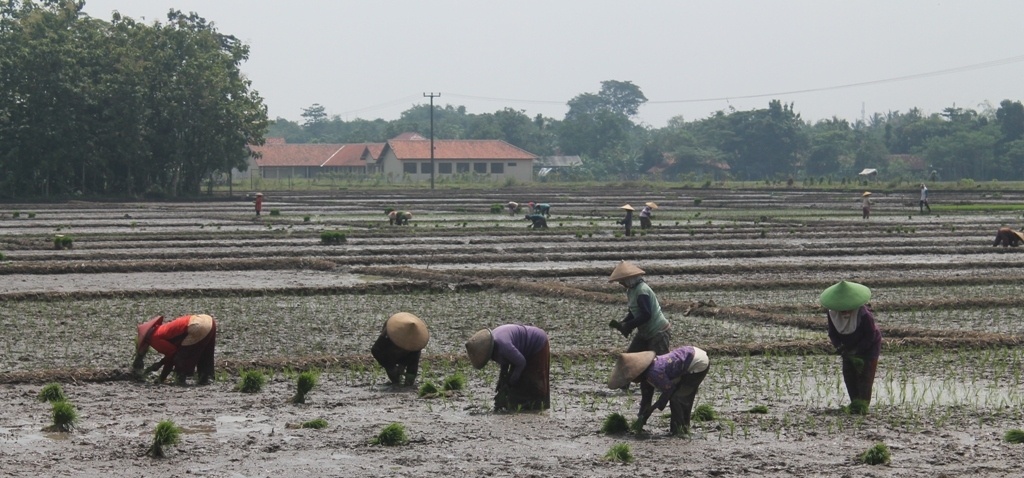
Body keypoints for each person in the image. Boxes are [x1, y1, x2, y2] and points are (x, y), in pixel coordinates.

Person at [607, 345, 710, 436]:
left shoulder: (654, 373)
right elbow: (646, 398)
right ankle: (682, 427)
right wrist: (642, 418)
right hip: (688, 357)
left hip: (698, 363)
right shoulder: (646, 376)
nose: (633, 381)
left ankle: (678, 432)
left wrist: (655, 406)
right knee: (682, 397)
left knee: (677, 399)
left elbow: (669, 390)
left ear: (638, 373)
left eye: (632, 378)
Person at [819, 280, 882, 410]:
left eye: (847, 308)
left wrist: (858, 350)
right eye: (841, 309)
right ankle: (854, 404)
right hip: (848, 348)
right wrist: (840, 347)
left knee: (865, 377)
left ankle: (863, 406)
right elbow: (832, 333)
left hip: (869, 347)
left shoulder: (864, 314)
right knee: (849, 375)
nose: (845, 311)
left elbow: (870, 335)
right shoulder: (833, 314)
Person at [465, 324, 550, 411]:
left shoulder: (503, 345)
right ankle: (522, 406)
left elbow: (521, 362)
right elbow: (505, 362)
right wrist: (502, 379)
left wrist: (512, 381)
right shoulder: (494, 345)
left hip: (537, 343)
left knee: (532, 380)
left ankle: (538, 407)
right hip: (521, 350)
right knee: (519, 384)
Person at [607, 261, 671, 356]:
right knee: (631, 358)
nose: (620, 283)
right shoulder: (631, 291)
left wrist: (629, 325)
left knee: (659, 363)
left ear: (629, 279)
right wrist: (623, 323)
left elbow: (646, 314)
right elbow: (633, 312)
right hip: (644, 332)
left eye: (622, 280)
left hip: (658, 332)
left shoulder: (642, 290)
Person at [132, 314, 217, 385]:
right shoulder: (161, 329)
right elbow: (173, 351)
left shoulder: (154, 339)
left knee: (181, 358)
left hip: (196, 326)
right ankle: (205, 378)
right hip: (208, 320)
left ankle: (181, 380)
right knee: (204, 352)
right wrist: (160, 363)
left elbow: (172, 355)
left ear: (146, 340)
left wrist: (161, 378)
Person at [371, 312, 429, 386]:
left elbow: (414, 356)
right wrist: (390, 367)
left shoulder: (416, 341)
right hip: (390, 356)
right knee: (393, 374)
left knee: (412, 369)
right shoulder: (388, 335)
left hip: (410, 355)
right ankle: (396, 382)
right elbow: (375, 350)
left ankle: (409, 384)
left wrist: (403, 364)